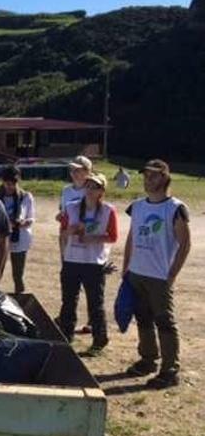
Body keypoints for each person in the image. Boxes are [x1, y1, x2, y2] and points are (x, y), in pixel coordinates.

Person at [122, 159, 191, 389]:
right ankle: (148, 359)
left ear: (164, 177)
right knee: (142, 318)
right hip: (137, 272)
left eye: (152, 176)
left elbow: (185, 243)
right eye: (145, 176)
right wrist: (126, 267)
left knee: (164, 321)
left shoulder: (174, 208)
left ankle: (170, 369)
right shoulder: (138, 206)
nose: (147, 180)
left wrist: (172, 274)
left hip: (159, 276)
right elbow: (132, 238)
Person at [57, 173, 118, 354]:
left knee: (95, 303)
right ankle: (67, 335)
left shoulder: (108, 210)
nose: (90, 190)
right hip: (72, 260)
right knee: (68, 300)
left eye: (95, 187)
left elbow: (113, 237)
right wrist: (70, 230)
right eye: (88, 186)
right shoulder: (72, 207)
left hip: (94, 262)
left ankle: (100, 340)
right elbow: (62, 233)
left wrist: (92, 237)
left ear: (102, 191)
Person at [0, 166, 35, 293]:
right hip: (1, 239)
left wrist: (24, 223)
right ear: (2, 181)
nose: (10, 186)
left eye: (13, 182)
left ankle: (20, 298)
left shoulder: (26, 196)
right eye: (7, 182)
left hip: (19, 238)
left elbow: (31, 218)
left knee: (18, 275)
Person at [57, 156, 93, 255]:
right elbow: (63, 210)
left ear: (87, 172)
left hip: (85, 236)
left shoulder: (92, 190)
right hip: (67, 235)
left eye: (78, 170)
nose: (74, 173)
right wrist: (60, 215)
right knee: (67, 266)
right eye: (72, 169)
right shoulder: (66, 190)